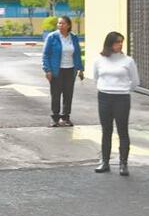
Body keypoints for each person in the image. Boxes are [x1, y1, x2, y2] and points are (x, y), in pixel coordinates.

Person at [93, 31, 140, 176]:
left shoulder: (128, 61)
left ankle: (123, 163)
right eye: (116, 42)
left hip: (121, 98)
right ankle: (105, 162)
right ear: (109, 43)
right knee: (106, 130)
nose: (119, 45)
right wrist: (105, 88)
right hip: (104, 97)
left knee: (122, 130)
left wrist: (123, 89)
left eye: (121, 42)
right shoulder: (99, 60)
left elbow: (135, 81)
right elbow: (96, 78)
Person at [42, 15, 84, 127]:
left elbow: (77, 54)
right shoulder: (52, 37)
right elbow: (46, 55)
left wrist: (80, 69)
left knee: (68, 94)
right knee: (56, 95)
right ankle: (55, 118)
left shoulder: (73, 37)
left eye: (63, 23)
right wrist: (47, 70)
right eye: (59, 23)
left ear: (68, 25)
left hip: (70, 70)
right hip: (56, 71)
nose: (60, 25)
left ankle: (65, 117)